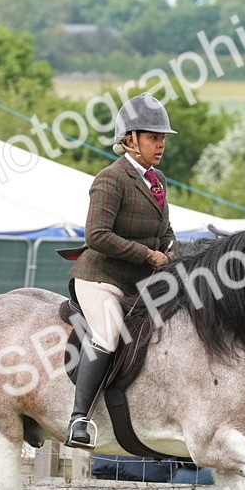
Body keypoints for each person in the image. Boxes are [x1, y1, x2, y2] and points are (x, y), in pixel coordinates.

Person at [58, 93, 177, 449]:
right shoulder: (110, 179)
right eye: (153, 138)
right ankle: (79, 419)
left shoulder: (158, 181)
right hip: (100, 278)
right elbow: (96, 236)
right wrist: (148, 256)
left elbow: (164, 230)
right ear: (130, 140)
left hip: (139, 283)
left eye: (162, 139)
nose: (160, 145)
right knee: (108, 333)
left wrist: (171, 250)